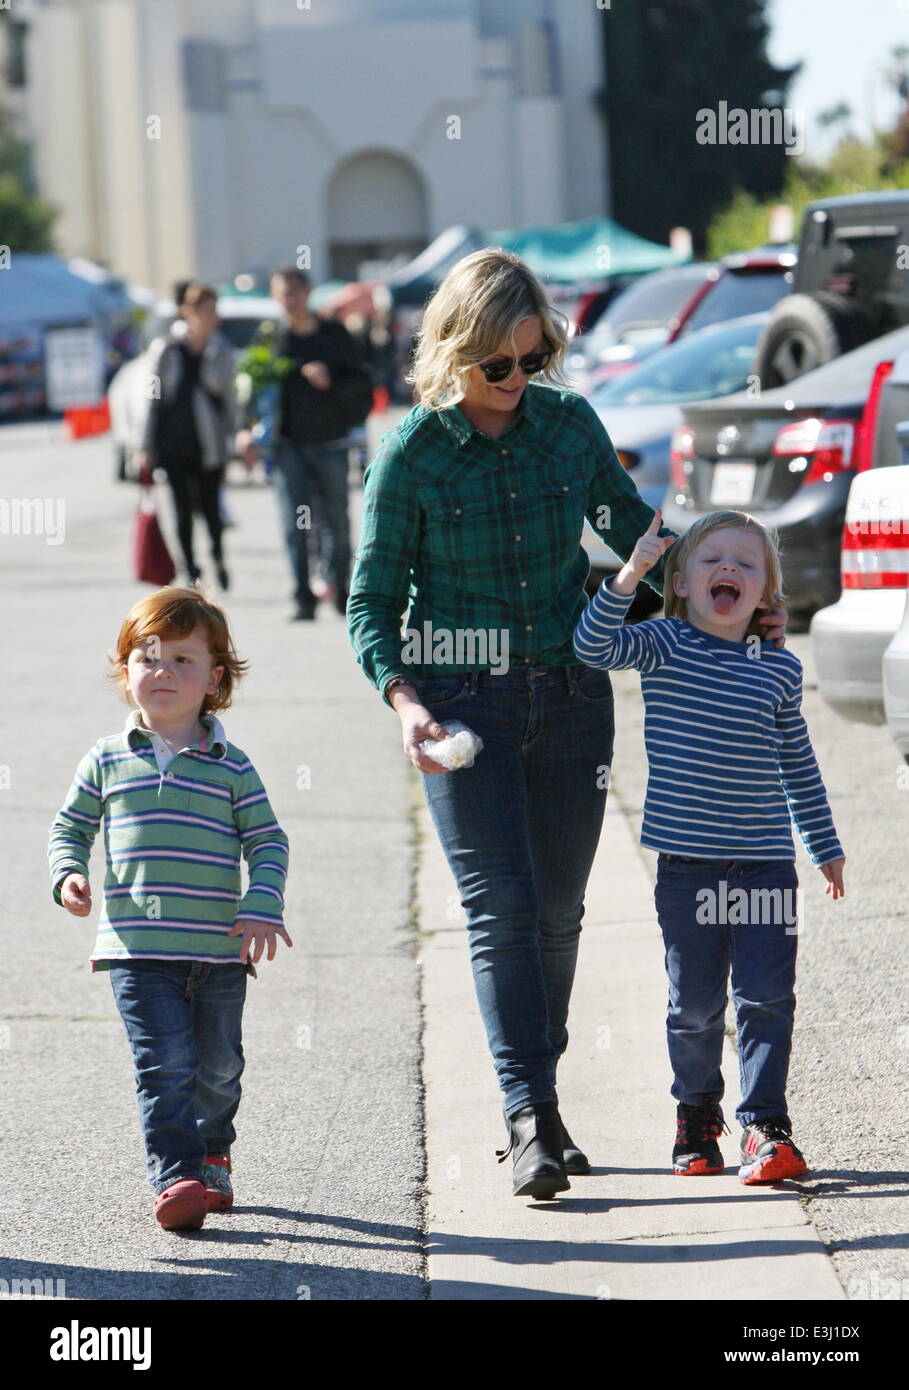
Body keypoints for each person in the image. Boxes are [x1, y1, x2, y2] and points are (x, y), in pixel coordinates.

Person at [346, 247, 789, 1201]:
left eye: (531, 360)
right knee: (499, 911)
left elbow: (641, 536)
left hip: (573, 701)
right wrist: (407, 702)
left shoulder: (566, 426)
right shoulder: (409, 456)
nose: (515, 383)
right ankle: (530, 1115)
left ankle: (537, 1093)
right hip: (462, 710)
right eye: (495, 366)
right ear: (452, 351)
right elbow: (370, 602)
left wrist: (736, 596)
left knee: (555, 915)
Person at [573, 508, 845, 1184]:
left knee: (765, 996)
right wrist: (630, 571)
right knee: (693, 1003)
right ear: (684, 584)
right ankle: (696, 1114)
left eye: (747, 564)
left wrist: (823, 843)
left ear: (765, 594)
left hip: (763, 864)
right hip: (687, 866)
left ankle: (764, 1125)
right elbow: (591, 648)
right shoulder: (662, 640)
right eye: (711, 559)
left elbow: (797, 763)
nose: (729, 568)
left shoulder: (775, 671)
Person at [47, 588, 291, 1230]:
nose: (163, 672)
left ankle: (215, 1151)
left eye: (183, 660)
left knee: (217, 1068)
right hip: (136, 952)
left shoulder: (231, 766)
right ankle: (176, 1178)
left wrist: (262, 902)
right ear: (126, 670)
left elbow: (267, 840)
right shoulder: (105, 758)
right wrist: (68, 874)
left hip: (218, 950)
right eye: (147, 657)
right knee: (165, 1065)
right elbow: (69, 828)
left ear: (214, 680)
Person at [238, 266, 374, 621]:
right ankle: (303, 596)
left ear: (308, 292)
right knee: (294, 523)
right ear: (274, 296)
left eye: (295, 291)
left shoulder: (333, 335)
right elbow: (250, 390)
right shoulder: (269, 339)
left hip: (331, 442)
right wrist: (245, 430)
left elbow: (364, 387)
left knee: (337, 523)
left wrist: (331, 383)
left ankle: (340, 589)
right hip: (288, 447)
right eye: (283, 293)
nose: (290, 299)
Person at [135, 284, 243, 590]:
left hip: (209, 445)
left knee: (211, 509)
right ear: (188, 312)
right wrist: (145, 445)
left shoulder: (221, 352)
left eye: (214, 311)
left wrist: (236, 439)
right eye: (206, 311)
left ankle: (218, 557)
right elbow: (151, 400)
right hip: (173, 443)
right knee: (181, 510)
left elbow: (232, 400)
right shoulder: (166, 349)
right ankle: (191, 569)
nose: (212, 318)